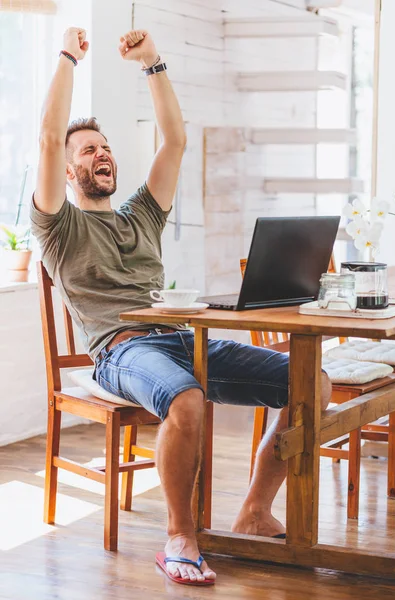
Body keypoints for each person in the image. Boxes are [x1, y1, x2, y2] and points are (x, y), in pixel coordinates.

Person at [31, 27, 332, 586]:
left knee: (309, 380)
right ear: (70, 171)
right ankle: (179, 539)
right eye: (87, 151)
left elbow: (174, 140)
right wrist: (69, 58)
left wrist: (152, 62)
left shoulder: (140, 216)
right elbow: (49, 139)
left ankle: (254, 510)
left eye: (104, 147)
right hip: (119, 351)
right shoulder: (60, 228)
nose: (101, 154)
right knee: (187, 401)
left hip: (180, 338)